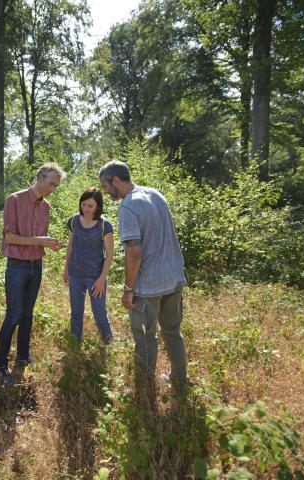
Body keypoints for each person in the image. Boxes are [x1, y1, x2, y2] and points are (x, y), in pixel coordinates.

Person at [99, 160, 188, 404]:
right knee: (172, 332)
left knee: (145, 337)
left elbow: (134, 252)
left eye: (106, 186)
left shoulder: (128, 207)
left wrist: (128, 289)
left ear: (116, 180)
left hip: (149, 286)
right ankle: (181, 381)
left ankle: (144, 388)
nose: (105, 192)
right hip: (174, 278)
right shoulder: (155, 194)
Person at [0, 163, 65, 386]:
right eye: (52, 183)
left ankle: (23, 358)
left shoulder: (46, 207)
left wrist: (49, 243)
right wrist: (39, 241)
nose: (54, 188)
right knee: (14, 314)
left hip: (36, 265)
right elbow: (10, 238)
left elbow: (38, 238)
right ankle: (0, 365)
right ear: (40, 177)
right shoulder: (14, 200)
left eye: (56, 185)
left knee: (28, 314)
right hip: (16, 266)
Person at [63, 188, 114, 344]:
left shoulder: (104, 225)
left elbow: (110, 254)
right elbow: (70, 246)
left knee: (99, 314)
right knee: (76, 314)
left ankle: (109, 344)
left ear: (97, 207)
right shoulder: (73, 221)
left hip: (95, 277)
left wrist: (101, 279)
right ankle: (74, 345)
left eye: (90, 206)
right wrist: (66, 269)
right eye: (83, 204)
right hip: (75, 275)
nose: (85, 209)